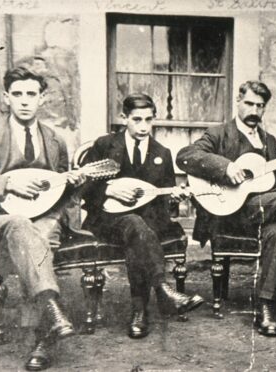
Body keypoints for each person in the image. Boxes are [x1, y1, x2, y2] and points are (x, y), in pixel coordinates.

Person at [176, 80, 276, 337]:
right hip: (226, 214)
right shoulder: (219, 134)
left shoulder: (268, 141)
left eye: (260, 106)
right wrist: (225, 167)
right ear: (238, 102)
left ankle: (265, 307)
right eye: (249, 103)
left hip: (259, 212)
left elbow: (275, 185)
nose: (254, 111)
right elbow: (185, 156)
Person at [0, 66, 86, 371]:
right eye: (17, 94)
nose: (24, 101)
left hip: (45, 216)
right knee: (23, 227)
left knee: (39, 237)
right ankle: (50, 311)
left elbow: (62, 192)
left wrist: (72, 184)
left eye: (31, 94)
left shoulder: (56, 139)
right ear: (6, 98)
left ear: (42, 98)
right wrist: (7, 183)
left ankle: (41, 338)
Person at [81, 93, 203, 340]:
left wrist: (174, 199)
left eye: (149, 120)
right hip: (107, 221)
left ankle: (140, 312)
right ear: (124, 118)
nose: (143, 127)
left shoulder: (162, 152)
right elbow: (83, 190)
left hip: (146, 224)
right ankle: (162, 290)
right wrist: (109, 189)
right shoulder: (105, 146)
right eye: (137, 120)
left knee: (138, 228)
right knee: (135, 226)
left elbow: (165, 204)